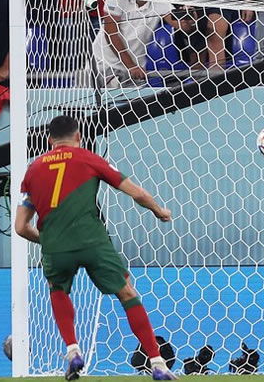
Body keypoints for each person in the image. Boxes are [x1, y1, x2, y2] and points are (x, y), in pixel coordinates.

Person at [15, 115, 176, 381]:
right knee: (126, 292)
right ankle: (157, 363)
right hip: (93, 242)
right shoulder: (89, 158)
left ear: (49, 140)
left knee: (57, 289)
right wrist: (159, 211)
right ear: (78, 136)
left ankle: (72, 350)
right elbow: (137, 193)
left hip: (55, 247)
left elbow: (21, 227)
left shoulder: (33, 170)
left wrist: (53, 240)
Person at [93, 0, 178, 87]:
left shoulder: (159, 0)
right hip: (104, 63)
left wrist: (189, 18)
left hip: (137, 67)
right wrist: (131, 66)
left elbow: (179, 24)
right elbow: (111, 34)